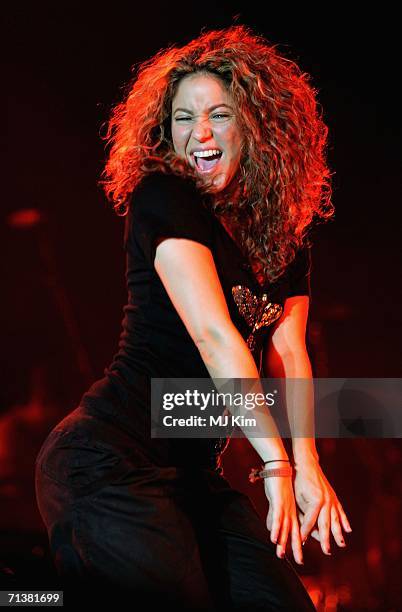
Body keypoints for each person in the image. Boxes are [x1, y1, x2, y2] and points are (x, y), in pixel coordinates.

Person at [35, 24, 352, 610]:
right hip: (108, 460)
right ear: (164, 131)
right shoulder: (163, 197)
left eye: (220, 114)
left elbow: (290, 355)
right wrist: (276, 466)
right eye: (183, 118)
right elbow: (215, 337)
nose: (199, 132)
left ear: (259, 126)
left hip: (191, 477)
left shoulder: (282, 236)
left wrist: (309, 466)